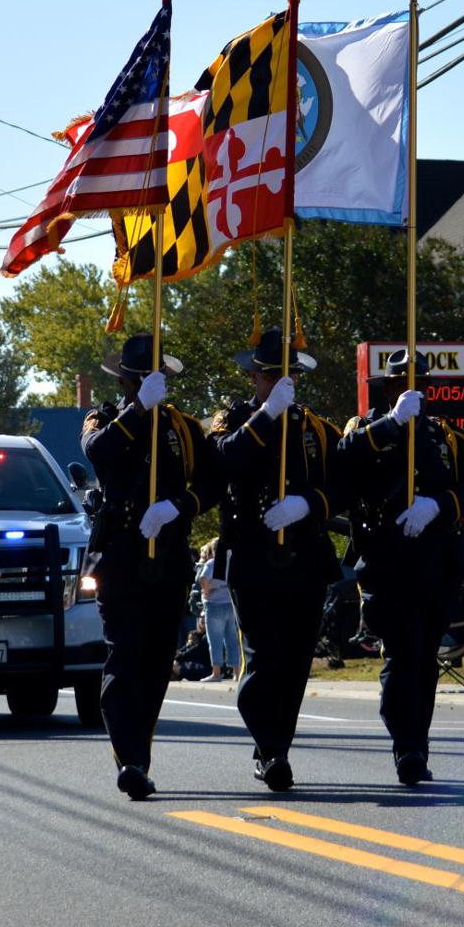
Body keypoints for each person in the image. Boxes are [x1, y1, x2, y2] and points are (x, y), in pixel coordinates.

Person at [339, 349, 464, 786]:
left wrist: (440, 505)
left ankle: (417, 747)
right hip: (389, 563)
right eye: (400, 385)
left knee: (425, 658)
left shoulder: (447, 438)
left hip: (438, 562)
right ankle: (405, 745)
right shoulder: (367, 429)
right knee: (403, 655)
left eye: (419, 386)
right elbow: (344, 459)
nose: (412, 392)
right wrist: (392, 424)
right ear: (387, 389)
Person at [82, 333, 223, 801]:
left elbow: (211, 483)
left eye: (151, 378)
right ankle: (131, 759)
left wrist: (178, 507)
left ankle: (140, 752)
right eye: (137, 378)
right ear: (124, 380)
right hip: (121, 554)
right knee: (125, 654)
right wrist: (138, 409)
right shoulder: (104, 418)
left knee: (158, 659)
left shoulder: (184, 427)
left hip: (170, 553)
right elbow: (99, 452)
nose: (144, 383)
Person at [208, 328, 342, 794]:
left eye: (286, 376)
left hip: (305, 557)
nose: (279, 383)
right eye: (269, 376)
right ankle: (270, 747)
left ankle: (275, 751)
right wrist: (267, 416)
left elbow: (340, 485)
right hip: (253, 557)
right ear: (254, 379)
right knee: (264, 658)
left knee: (296, 661)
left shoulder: (317, 429)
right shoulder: (236, 420)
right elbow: (225, 460)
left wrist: (308, 503)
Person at [197, 537, 239, 681]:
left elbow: (203, 578)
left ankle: (216, 672)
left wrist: (207, 590)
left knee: (215, 640)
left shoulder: (212, 563)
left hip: (214, 605)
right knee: (232, 639)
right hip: (230, 604)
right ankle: (236, 672)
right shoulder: (232, 562)